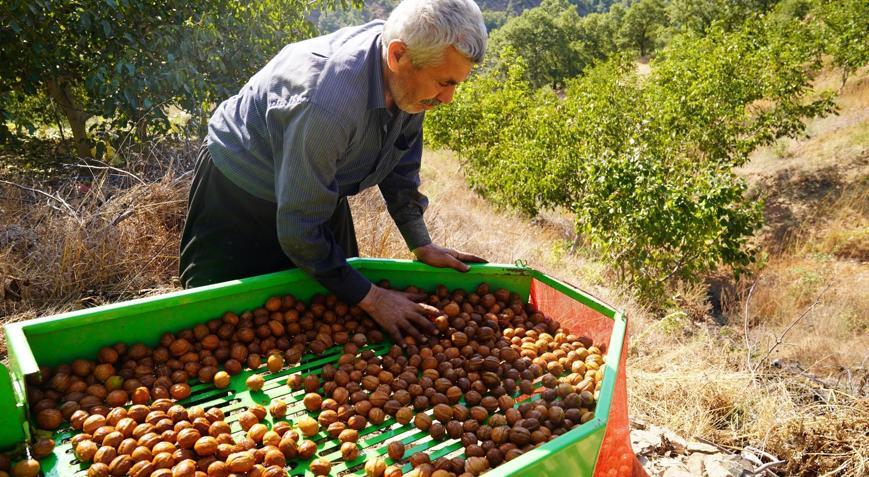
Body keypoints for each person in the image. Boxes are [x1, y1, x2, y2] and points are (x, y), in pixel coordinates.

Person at [179, 0, 488, 344]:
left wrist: (421, 242)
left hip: (318, 184)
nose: (448, 99)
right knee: (219, 328)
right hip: (240, 192)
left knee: (331, 314)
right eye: (444, 83)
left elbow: (399, 164)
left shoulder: (413, 80)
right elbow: (299, 229)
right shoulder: (327, 102)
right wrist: (373, 298)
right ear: (397, 56)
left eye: (455, 84)